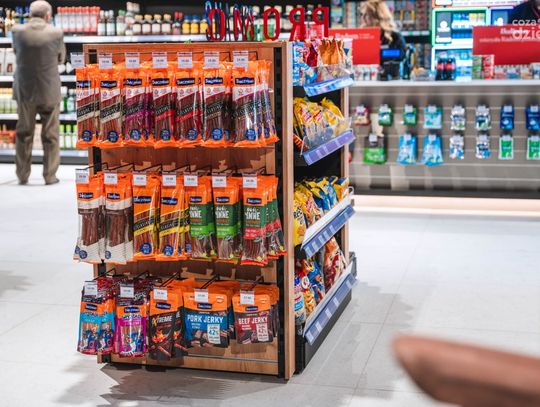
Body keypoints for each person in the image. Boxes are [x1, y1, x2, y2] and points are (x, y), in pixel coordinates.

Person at [12, 0, 65, 185]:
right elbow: (61, 59)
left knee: (24, 133)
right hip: (49, 89)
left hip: (25, 90)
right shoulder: (56, 33)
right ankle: (50, 176)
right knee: (51, 135)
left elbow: (16, 52)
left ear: (30, 14)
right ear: (48, 16)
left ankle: (22, 175)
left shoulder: (17, 31)